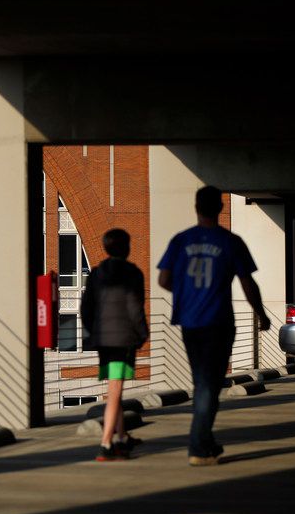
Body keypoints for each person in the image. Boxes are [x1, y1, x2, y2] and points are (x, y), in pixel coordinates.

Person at [157, 185, 271, 466]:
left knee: (202, 383)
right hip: (219, 321)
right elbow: (248, 283)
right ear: (220, 208)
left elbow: (163, 280)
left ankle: (206, 444)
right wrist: (261, 314)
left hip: (189, 322)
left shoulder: (180, 240)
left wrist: (186, 295)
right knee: (209, 385)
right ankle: (198, 446)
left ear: (196, 208)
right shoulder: (231, 242)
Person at [80, 228, 149, 461]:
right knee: (115, 390)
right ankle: (106, 444)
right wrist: (142, 333)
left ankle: (122, 436)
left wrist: (95, 329)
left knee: (114, 387)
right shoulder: (133, 273)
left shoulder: (96, 273)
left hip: (103, 340)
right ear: (128, 248)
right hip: (123, 340)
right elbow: (134, 306)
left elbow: (85, 307)